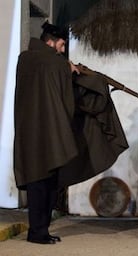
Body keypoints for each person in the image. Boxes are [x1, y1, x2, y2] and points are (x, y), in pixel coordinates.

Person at [14, 21, 80, 244]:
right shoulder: (54, 62)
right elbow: (67, 102)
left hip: (30, 132)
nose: (62, 50)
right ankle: (38, 232)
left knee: (40, 183)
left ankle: (39, 230)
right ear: (50, 42)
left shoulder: (24, 59)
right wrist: (67, 68)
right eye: (61, 45)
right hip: (50, 133)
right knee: (44, 183)